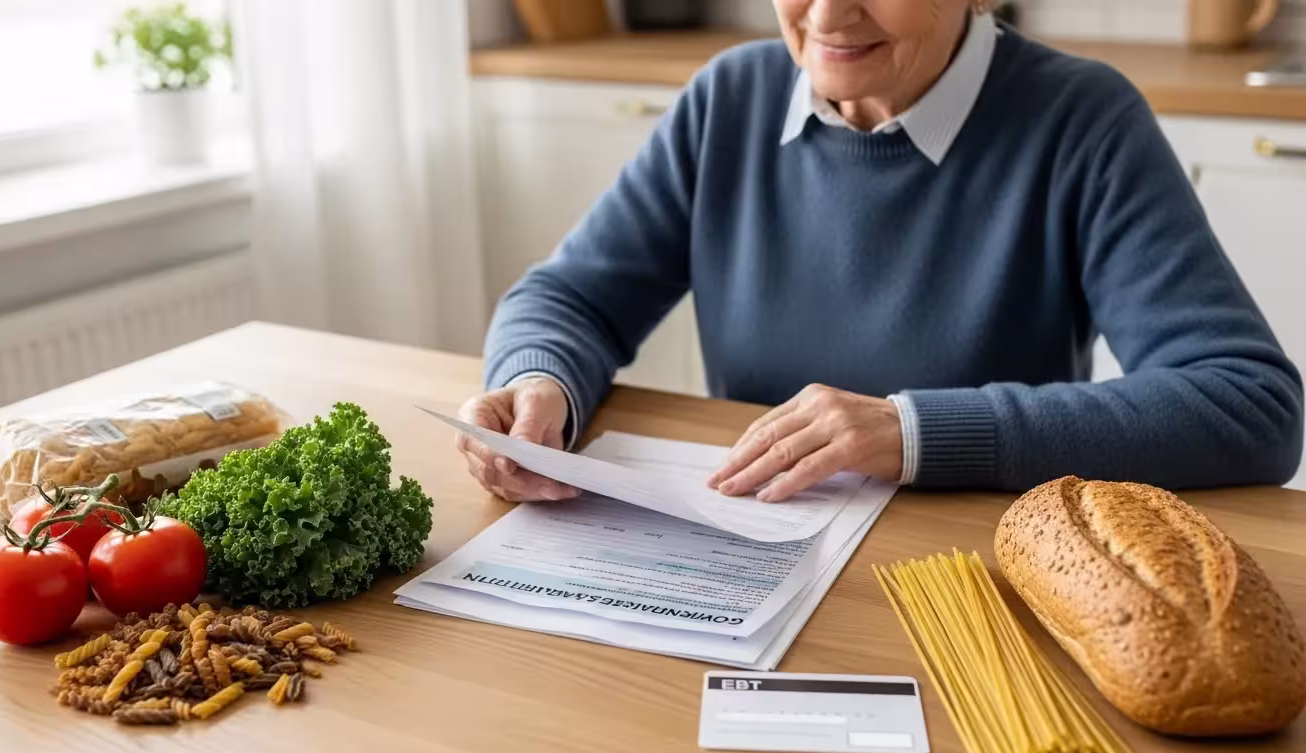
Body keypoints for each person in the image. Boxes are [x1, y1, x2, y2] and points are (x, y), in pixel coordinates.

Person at [455, 0, 1303, 503]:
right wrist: (539, 381)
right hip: (758, 556)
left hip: (974, 587)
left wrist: (915, 430)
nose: (825, 13)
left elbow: (1250, 406)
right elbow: (571, 298)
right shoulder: (730, 97)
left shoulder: (1082, 122)